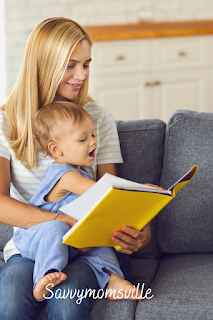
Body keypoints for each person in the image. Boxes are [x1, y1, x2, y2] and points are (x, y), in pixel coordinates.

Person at [0, 17, 151, 320]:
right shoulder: (6, 122)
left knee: (68, 306)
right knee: (11, 306)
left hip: (86, 248)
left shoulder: (96, 119)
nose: (81, 75)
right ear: (44, 64)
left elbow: (110, 196)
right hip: (31, 246)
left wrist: (139, 231)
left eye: (86, 64)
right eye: (70, 65)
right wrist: (60, 222)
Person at [13, 101, 142, 301]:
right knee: (55, 227)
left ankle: (112, 279)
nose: (93, 142)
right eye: (83, 139)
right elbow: (105, 192)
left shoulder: (78, 172)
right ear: (56, 149)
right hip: (35, 238)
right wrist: (145, 190)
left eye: (92, 135)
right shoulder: (66, 176)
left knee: (97, 236)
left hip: (67, 241)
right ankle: (44, 277)